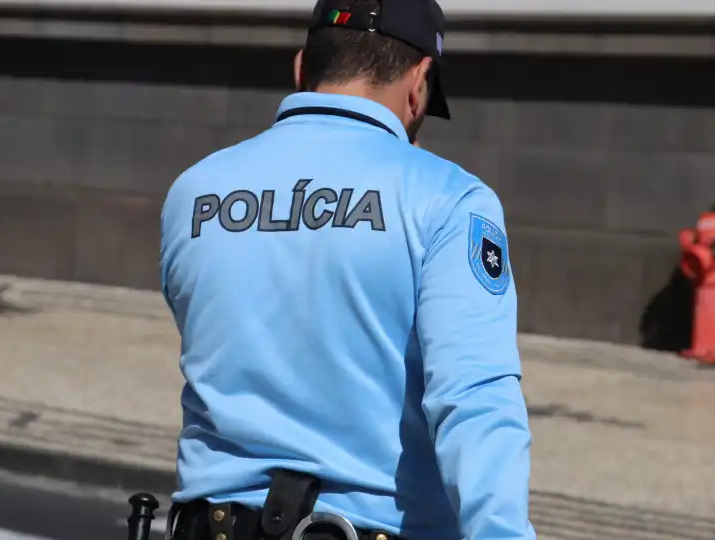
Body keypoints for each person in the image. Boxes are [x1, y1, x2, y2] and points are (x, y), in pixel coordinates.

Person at [158, 0, 536, 539]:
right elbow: (474, 397)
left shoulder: (194, 191)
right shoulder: (448, 199)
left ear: (300, 68)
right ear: (418, 84)